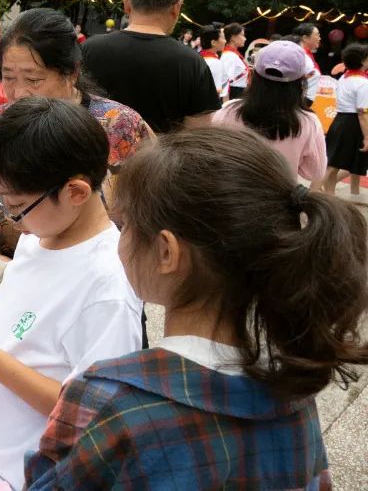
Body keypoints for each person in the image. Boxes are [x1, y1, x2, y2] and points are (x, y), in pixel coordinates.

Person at [25, 127, 368, 489]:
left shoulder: (108, 397)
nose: (119, 238)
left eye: (124, 226)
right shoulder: (295, 397)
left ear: (166, 252)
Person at [0, 97, 142, 489]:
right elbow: (25, 333)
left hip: (20, 476)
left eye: (17, 207)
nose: (12, 220)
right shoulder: (40, 237)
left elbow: (93, 416)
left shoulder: (108, 289)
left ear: (76, 192)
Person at [0, 9, 152, 262]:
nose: (19, 93)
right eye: (8, 78)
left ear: (72, 72)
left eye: (33, 79)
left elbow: (152, 215)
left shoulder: (121, 127)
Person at [82, 0, 221, 132]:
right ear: (177, 7)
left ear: (127, 2)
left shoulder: (88, 49)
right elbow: (199, 134)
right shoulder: (191, 63)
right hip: (161, 150)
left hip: (92, 148)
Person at [214, 41, 325, 186]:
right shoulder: (309, 122)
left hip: (231, 193)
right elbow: (315, 172)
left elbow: (213, 154)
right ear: (301, 83)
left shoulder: (228, 110)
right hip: (279, 196)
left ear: (251, 75)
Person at [323, 43, 368, 196]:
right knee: (334, 164)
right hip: (352, 123)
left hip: (340, 120)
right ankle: (317, 191)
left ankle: (350, 192)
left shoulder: (345, 77)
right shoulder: (362, 82)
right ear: (362, 61)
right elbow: (362, 113)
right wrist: (367, 137)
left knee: (351, 160)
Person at [293, 22, 323, 103]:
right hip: (300, 100)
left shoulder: (306, 54)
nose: (319, 38)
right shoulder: (301, 55)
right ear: (305, 38)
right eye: (317, 35)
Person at [198, 23, 227, 100]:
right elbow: (215, 93)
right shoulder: (215, 63)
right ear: (213, 42)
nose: (225, 41)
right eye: (223, 38)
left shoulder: (197, 58)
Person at [222, 22, 249, 99]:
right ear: (233, 37)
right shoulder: (229, 55)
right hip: (234, 94)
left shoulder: (234, 54)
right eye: (242, 35)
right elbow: (225, 81)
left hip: (238, 92)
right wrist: (226, 102)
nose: (245, 38)